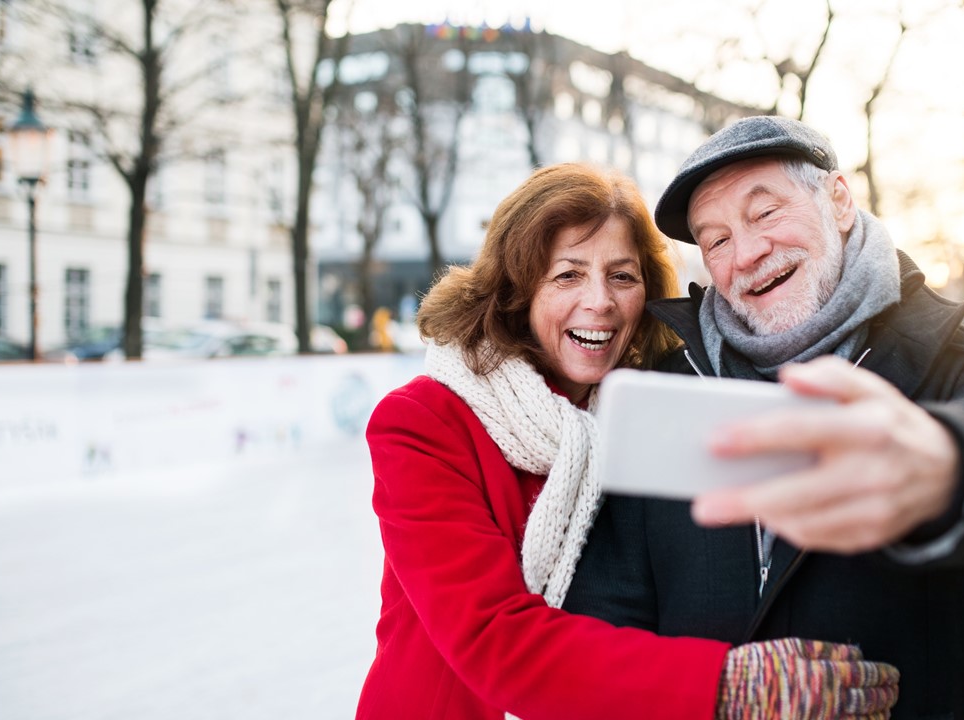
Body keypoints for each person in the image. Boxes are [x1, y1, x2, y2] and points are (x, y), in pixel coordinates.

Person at [561, 116, 964, 719]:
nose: (748, 253)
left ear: (838, 200)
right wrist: (716, 688)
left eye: (765, 213)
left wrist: (940, 466)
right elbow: (604, 619)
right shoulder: (667, 391)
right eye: (717, 239)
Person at [356, 162, 900, 720]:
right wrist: (725, 687)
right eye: (567, 275)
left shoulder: (652, 411)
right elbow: (493, 636)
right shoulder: (422, 423)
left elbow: (764, 560)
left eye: (622, 275)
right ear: (517, 289)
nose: (600, 302)